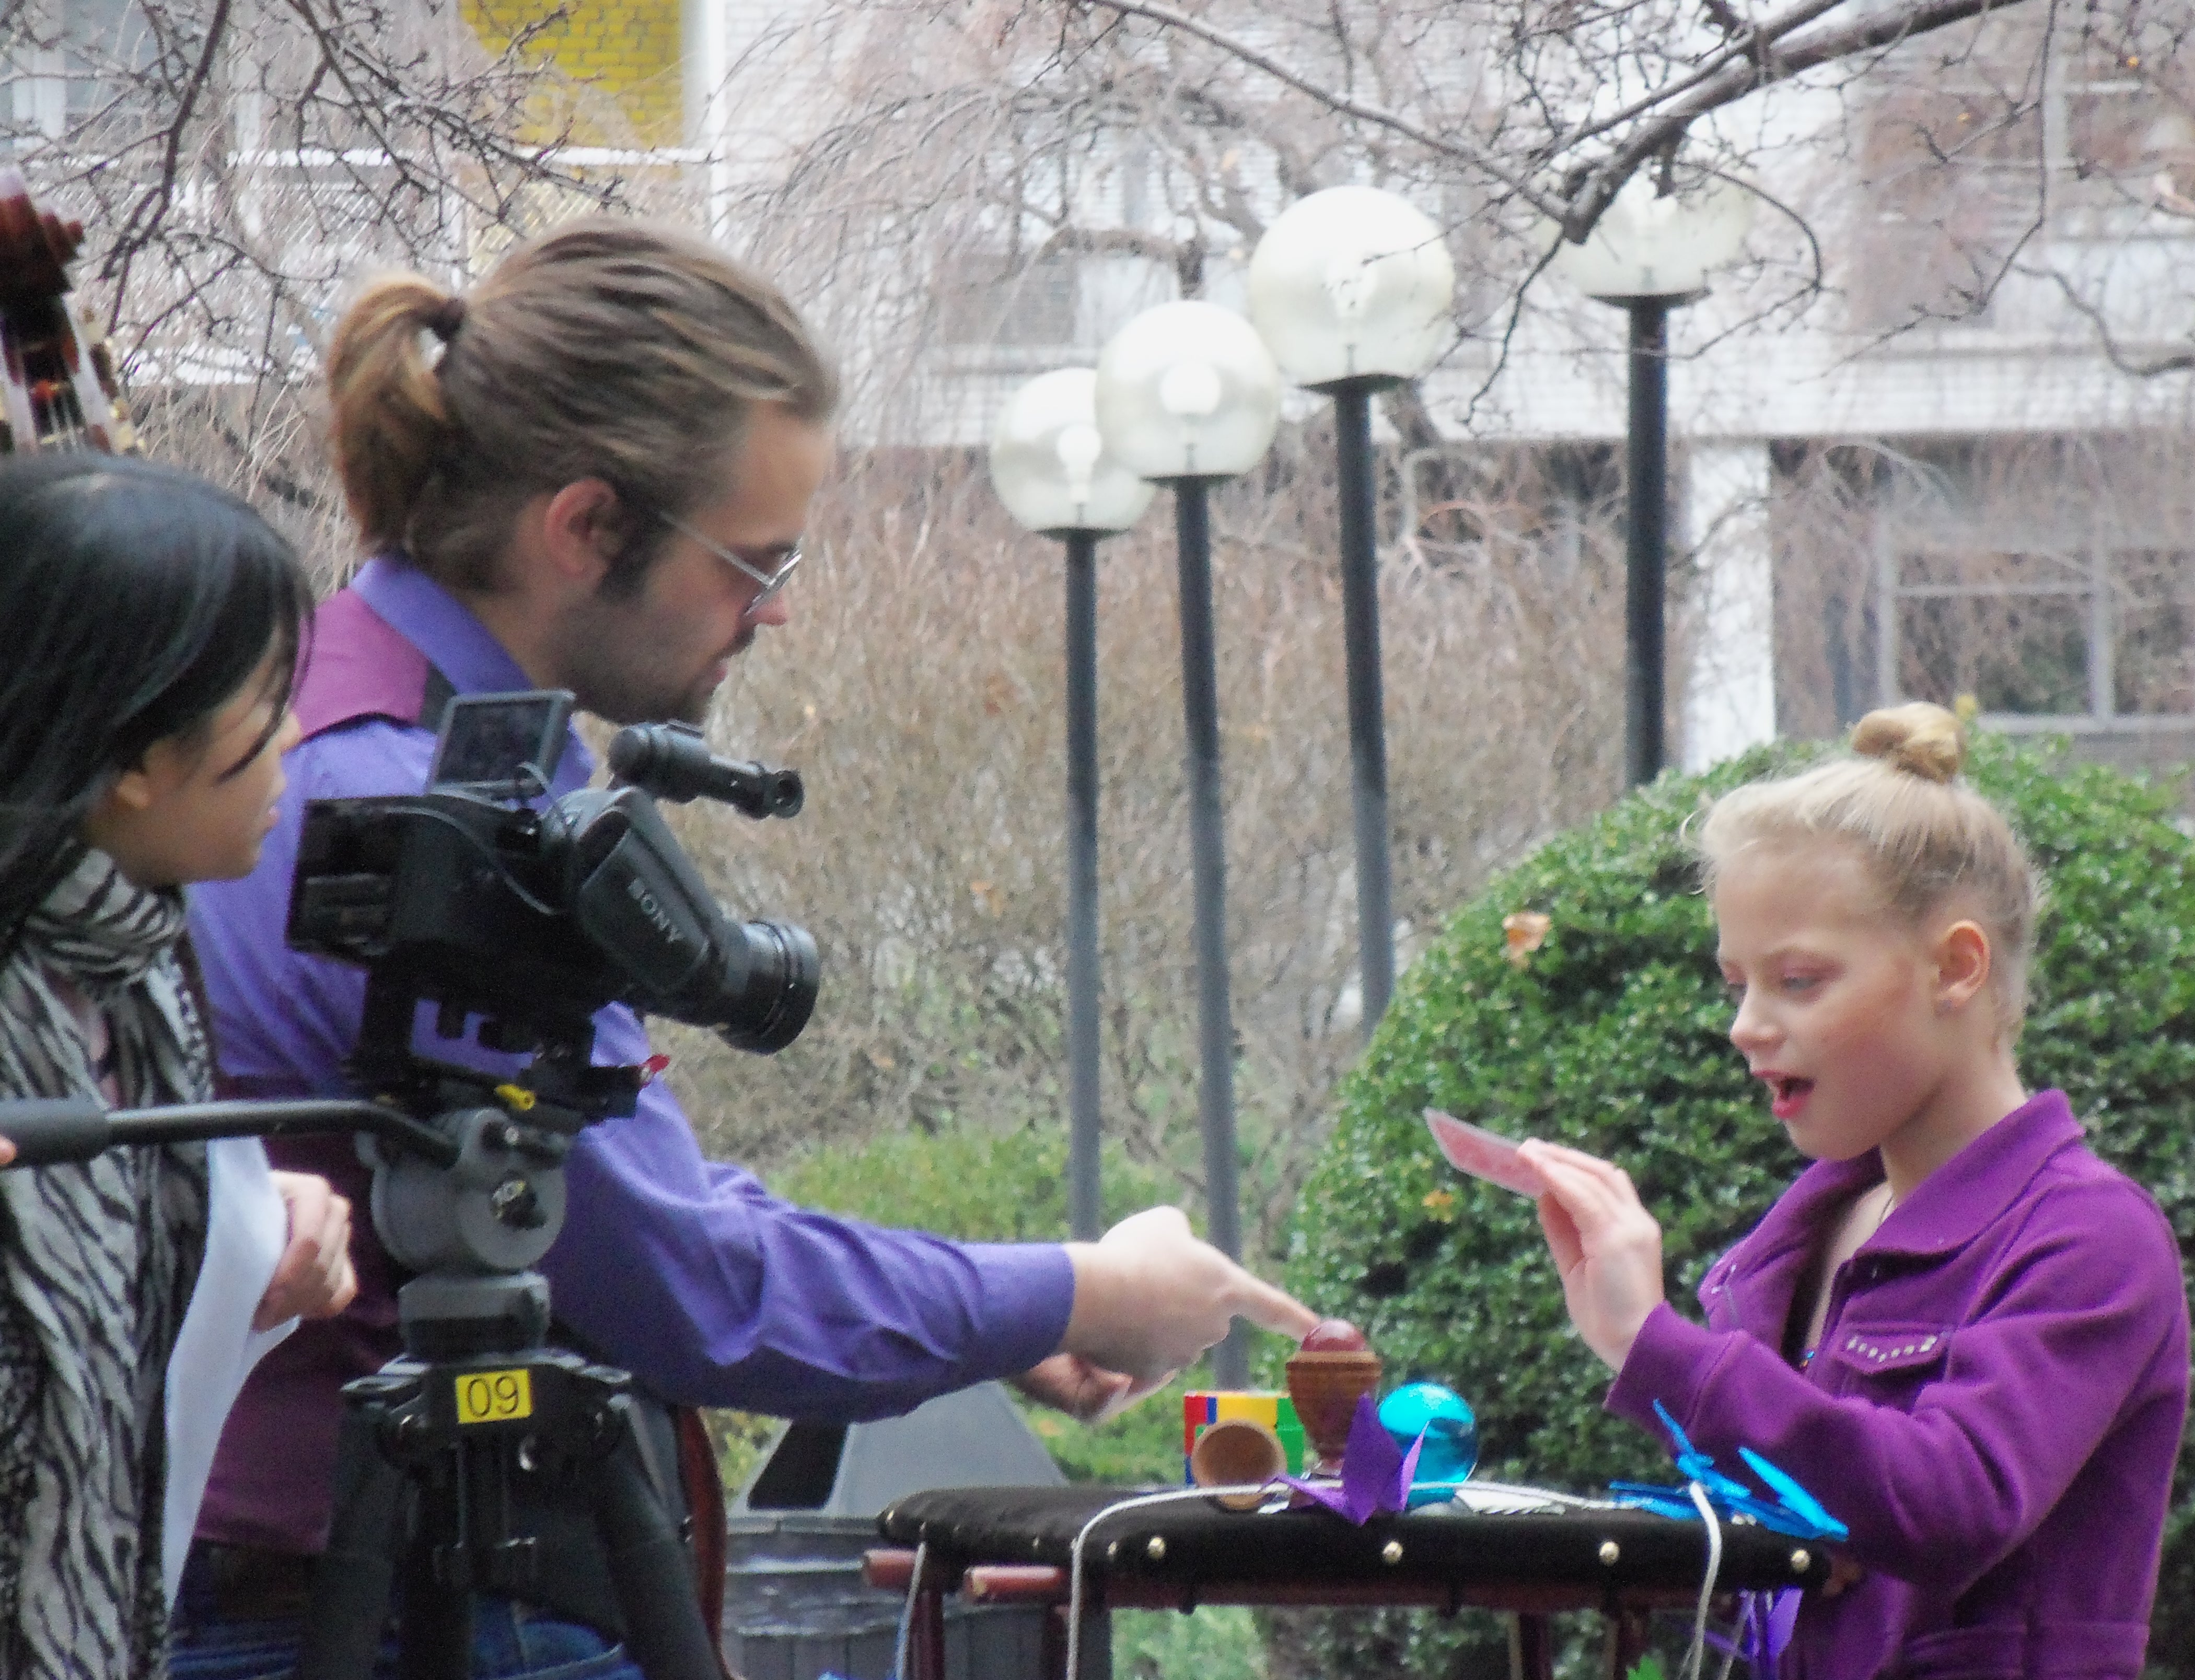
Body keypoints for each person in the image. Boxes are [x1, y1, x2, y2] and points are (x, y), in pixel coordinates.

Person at [176, 220, 1317, 1676]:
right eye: (749, 563)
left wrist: (999, 1307)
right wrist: (1079, 1290)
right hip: (399, 1608)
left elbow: (615, 1187)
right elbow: (694, 1291)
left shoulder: (334, 745)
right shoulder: (416, 816)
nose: (774, 613)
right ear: (585, 526)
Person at [1516, 702, 2189, 1678]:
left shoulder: (2089, 1237)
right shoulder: (1797, 1241)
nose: (1747, 1025)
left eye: (1798, 980)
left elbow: (1947, 1502)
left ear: (1957, 968)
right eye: (1736, 982)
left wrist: (1656, 1349)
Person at [0, 453, 358, 1679]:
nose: (295, 739)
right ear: (137, 756)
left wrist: (248, 1225)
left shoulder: (140, 967)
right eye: (267, 703)